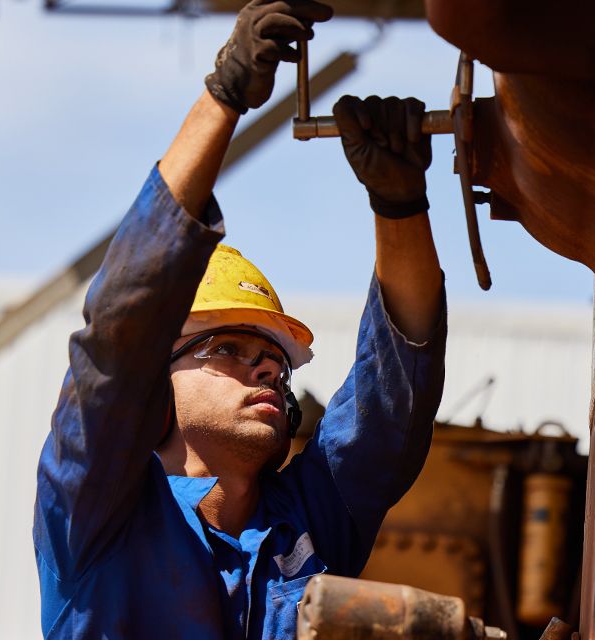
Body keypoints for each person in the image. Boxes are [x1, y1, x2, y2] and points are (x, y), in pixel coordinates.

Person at [32, 1, 447, 638]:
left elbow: (393, 401)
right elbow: (119, 335)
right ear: (158, 382)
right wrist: (224, 94)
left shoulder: (309, 520)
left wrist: (400, 205)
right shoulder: (97, 513)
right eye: (227, 346)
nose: (266, 368)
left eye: (277, 362)